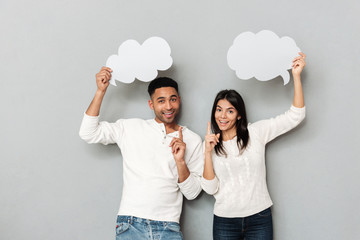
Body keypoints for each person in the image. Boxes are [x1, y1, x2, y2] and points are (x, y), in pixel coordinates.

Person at [79, 67, 203, 240]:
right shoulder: (131, 128)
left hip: (169, 227)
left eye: (173, 99)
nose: (168, 106)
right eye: (161, 101)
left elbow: (193, 193)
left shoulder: (192, 139)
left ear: (179, 101)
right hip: (130, 224)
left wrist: (180, 162)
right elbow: (88, 132)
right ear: (151, 104)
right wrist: (101, 91)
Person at [201, 53, 307, 240]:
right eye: (219, 109)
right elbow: (210, 189)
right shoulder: (210, 144)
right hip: (225, 221)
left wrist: (296, 77)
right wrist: (207, 153)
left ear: (239, 115)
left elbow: (295, 116)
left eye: (230, 111)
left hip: (259, 217)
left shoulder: (255, 133)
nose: (223, 116)